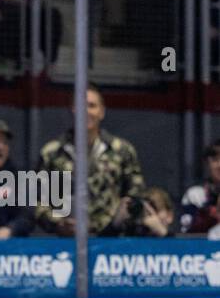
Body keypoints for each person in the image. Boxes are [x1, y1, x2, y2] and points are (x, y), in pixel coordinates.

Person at [34, 85, 145, 236]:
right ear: (73, 109)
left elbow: (136, 196)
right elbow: (37, 200)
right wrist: (58, 224)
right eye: (80, 105)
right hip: (66, 243)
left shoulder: (122, 151)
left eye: (92, 106)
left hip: (111, 242)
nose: (86, 111)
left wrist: (118, 221)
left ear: (102, 112)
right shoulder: (52, 152)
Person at [178, 140, 220, 236]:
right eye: (215, 160)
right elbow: (188, 233)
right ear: (207, 163)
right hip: (204, 249)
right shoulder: (195, 194)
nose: (219, 165)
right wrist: (209, 214)